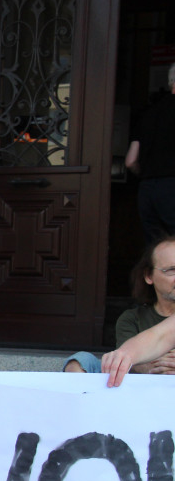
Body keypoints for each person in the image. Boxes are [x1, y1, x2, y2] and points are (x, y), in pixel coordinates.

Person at [65, 235, 175, 374]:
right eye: (171, 270)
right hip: (143, 383)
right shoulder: (133, 318)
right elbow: (158, 337)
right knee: (82, 360)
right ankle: (84, 396)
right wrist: (162, 366)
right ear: (149, 275)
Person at [126, 63, 175, 243]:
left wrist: (148, 175)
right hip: (172, 186)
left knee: (156, 248)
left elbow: (130, 161)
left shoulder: (149, 113)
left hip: (147, 190)